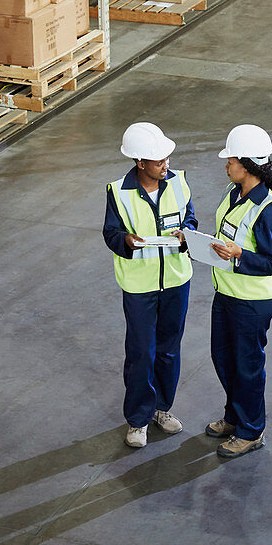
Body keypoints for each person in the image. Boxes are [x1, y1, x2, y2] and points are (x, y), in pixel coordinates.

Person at [103, 122, 197, 449]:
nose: (166, 165)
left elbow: (190, 219)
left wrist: (186, 233)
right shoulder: (118, 192)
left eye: (167, 158)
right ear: (140, 163)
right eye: (159, 161)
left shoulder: (179, 183)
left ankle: (161, 409)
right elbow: (111, 234)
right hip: (140, 284)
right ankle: (138, 419)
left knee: (169, 349)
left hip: (175, 280)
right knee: (142, 351)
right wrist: (126, 240)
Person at [204, 124, 272, 460]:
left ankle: (251, 431)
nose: (226, 164)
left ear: (249, 164)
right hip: (227, 292)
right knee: (224, 358)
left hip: (252, 302)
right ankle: (236, 416)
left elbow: (270, 262)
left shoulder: (267, 210)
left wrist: (237, 255)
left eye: (232, 160)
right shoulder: (233, 192)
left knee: (247, 365)